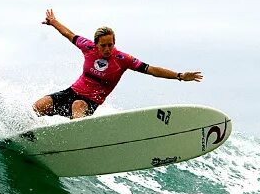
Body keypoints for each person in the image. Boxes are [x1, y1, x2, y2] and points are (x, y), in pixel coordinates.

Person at [33, 9, 202, 119]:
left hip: (90, 101)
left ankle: (73, 141)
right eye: (103, 45)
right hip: (72, 91)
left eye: (110, 44)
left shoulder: (123, 59)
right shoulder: (88, 47)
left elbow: (151, 70)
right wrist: (53, 22)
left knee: (78, 105)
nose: (107, 49)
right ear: (96, 44)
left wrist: (180, 76)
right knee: (39, 105)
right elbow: (69, 34)